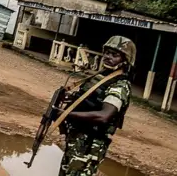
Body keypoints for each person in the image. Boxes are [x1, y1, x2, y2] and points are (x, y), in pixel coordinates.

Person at [58, 36, 136, 176]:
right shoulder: (100, 78)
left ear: (125, 60)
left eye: (114, 55)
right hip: (76, 139)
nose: (108, 57)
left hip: (90, 144)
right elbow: (86, 101)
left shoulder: (120, 85)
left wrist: (66, 114)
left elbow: (104, 116)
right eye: (107, 52)